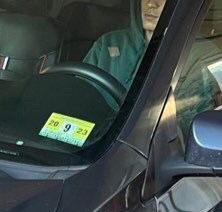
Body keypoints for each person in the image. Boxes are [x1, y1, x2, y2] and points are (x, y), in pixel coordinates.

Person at [85, 0, 222, 134]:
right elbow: (80, 96)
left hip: (153, 146)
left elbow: (195, 131)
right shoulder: (108, 43)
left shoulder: (204, 57)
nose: (151, 4)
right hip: (95, 141)